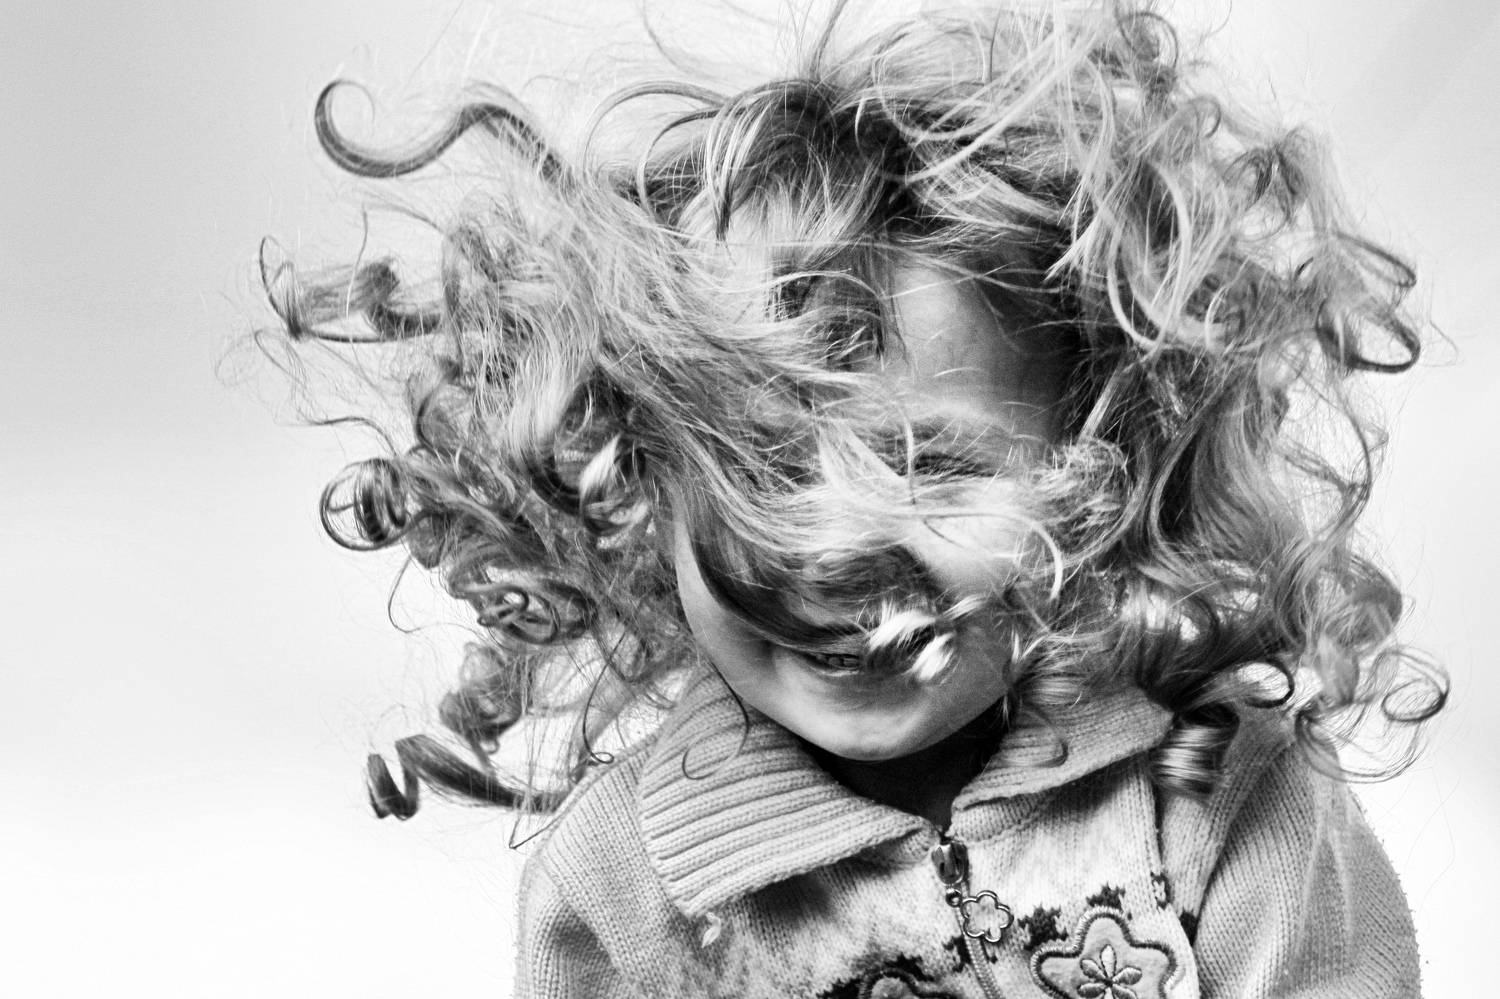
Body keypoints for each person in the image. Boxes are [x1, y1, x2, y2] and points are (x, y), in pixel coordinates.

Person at [264, 1, 1446, 995]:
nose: (837, 549)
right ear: (641, 488)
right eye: (761, 468)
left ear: (1095, 476)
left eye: (933, 466)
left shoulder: (1225, 791)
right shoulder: (620, 890)